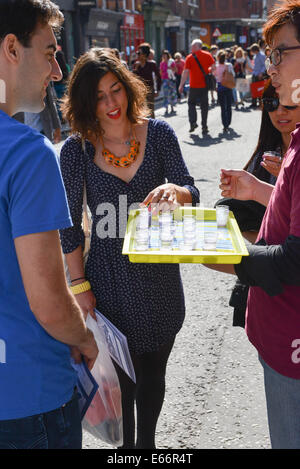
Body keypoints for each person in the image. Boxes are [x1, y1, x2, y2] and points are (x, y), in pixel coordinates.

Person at [59, 47, 200, 449]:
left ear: (127, 88)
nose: (110, 103)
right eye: (99, 97)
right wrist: (80, 287)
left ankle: (147, 448)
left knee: (154, 375)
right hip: (107, 285)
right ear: (86, 104)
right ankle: (126, 449)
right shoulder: (76, 150)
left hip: (160, 280)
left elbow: (191, 188)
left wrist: (177, 191)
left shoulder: (158, 135)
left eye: (115, 90)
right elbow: (70, 227)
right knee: (121, 384)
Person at [0, 0, 98, 450]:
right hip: (28, 396)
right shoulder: (27, 153)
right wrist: (86, 340)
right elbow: (50, 302)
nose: (57, 71)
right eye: (49, 52)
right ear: (11, 49)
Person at [208, 1, 300, 449]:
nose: (271, 66)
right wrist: (257, 190)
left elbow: (294, 262)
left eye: (280, 53)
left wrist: (215, 251)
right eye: (269, 54)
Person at [216, 81, 300, 327]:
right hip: (268, 278)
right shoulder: (265, 153)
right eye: (271, 104)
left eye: (288, 104)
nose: (280, 111)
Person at [178, 39, 215, 135]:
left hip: (194, 85)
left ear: (196, 46)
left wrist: (181, 85)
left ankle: (193, 122)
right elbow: (214, 68)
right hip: (204, 86)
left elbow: (185, 72)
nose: (191, 48)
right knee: (204, 106)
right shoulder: (208, 55)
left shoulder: (190, 57)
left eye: (192, 46)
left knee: (191, 104)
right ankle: (204, 126)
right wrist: (209, 71)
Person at [133, 43, 161, 118]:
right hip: (139, 90)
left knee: (150, 110)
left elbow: (158, 77)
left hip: (149, 89)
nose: (137, 55)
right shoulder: (136, 65)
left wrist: (157, 90)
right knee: (140, 111)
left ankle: (153, 127)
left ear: (145, 54)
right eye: (137, 53)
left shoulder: (152, 64)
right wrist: (135, 68)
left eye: (139, 53)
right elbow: (133, 78)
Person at [213, 49, 235, 133]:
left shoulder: (216, 66)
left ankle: (225, 125)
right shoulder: (229, 65)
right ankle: (228, 122)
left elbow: (214, 76)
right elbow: (233, 74)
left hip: (220, 87)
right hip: (228, 86)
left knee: (223, 107)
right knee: (228, 105)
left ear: (218, 57)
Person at [160, 49, 177, 115]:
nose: (164, 56)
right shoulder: (162, 63)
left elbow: (176, 70)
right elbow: (161, 72)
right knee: (165, 94)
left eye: (165, 55)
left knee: (172, 93)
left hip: (171, 79)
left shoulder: (171, 62)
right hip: (165, 80)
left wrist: (171, 68)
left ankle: (172, 107)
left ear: (168, 56)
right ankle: (166, 109)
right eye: (163, 55)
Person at [249, 43, 266, 108]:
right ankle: (254, 103)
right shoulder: (255, 55)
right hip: (255, 73)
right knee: (254, 89)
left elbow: (264, 65)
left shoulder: (261, 55)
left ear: (255, 50)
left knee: (259, 89)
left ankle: (260, 103)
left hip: (259, 74)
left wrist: (261, 73)